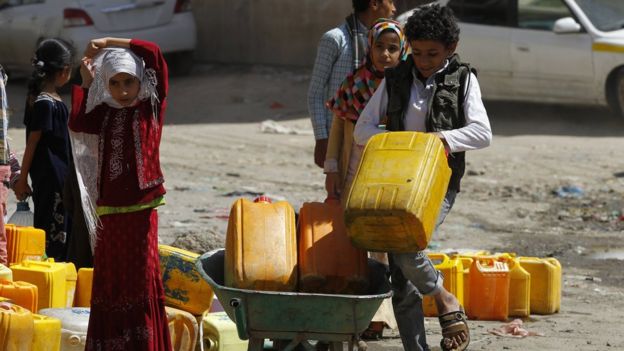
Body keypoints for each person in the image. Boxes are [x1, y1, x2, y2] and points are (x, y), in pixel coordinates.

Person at [354, 4, 492, 351]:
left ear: (451, 47)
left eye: (433, 53)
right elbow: (362, 129)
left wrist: (440, 140)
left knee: (405, 247)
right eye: (417, 53)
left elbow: (482, 133)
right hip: (395, 183)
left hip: (437, 183)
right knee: (401, 278)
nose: (425, 60)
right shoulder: (395, 78)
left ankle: (444, 300)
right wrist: (397, 143)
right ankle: (430, 325)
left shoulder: (464, 80)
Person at [69, 37, 171, 350]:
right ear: (106, 84)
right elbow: (78, 122)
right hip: (110, 209)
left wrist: (109, 42)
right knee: (111, 280)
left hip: (141, 208)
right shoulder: (102, 112)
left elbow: (153, 51)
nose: (124, 91)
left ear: (141, 80)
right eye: (115, 83)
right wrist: (86, 82)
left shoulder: (150, 105)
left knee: (140, 277)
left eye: (129, 82)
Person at [325, 17, 408, 339]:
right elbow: (337, 128)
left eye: (393, 48)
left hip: (390, 175)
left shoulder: (407, 85)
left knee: (383, 244)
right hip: (354, 170)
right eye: (379, 47)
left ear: (403, 51)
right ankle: (354, 311)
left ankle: (380, 316)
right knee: (353, 239)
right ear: (369, 47)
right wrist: (331, 169)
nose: (385, 54)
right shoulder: (354, 83)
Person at [308, 0, 396, 169]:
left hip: (377, 133)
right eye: (390, 1)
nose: (394, 8)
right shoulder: (335, 39)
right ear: (374, 4)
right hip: (342, 134)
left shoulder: (390, 43)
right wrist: (321, 138)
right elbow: (315, 93)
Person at [13, 39, 74, 262]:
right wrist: (21, 180)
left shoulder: (49, 100)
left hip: (57, 177)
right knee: (51, 229)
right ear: (64, 71)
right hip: (52, 178)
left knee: (58, 227)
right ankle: (50, 272)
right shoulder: (45, 103)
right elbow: (32, 143)